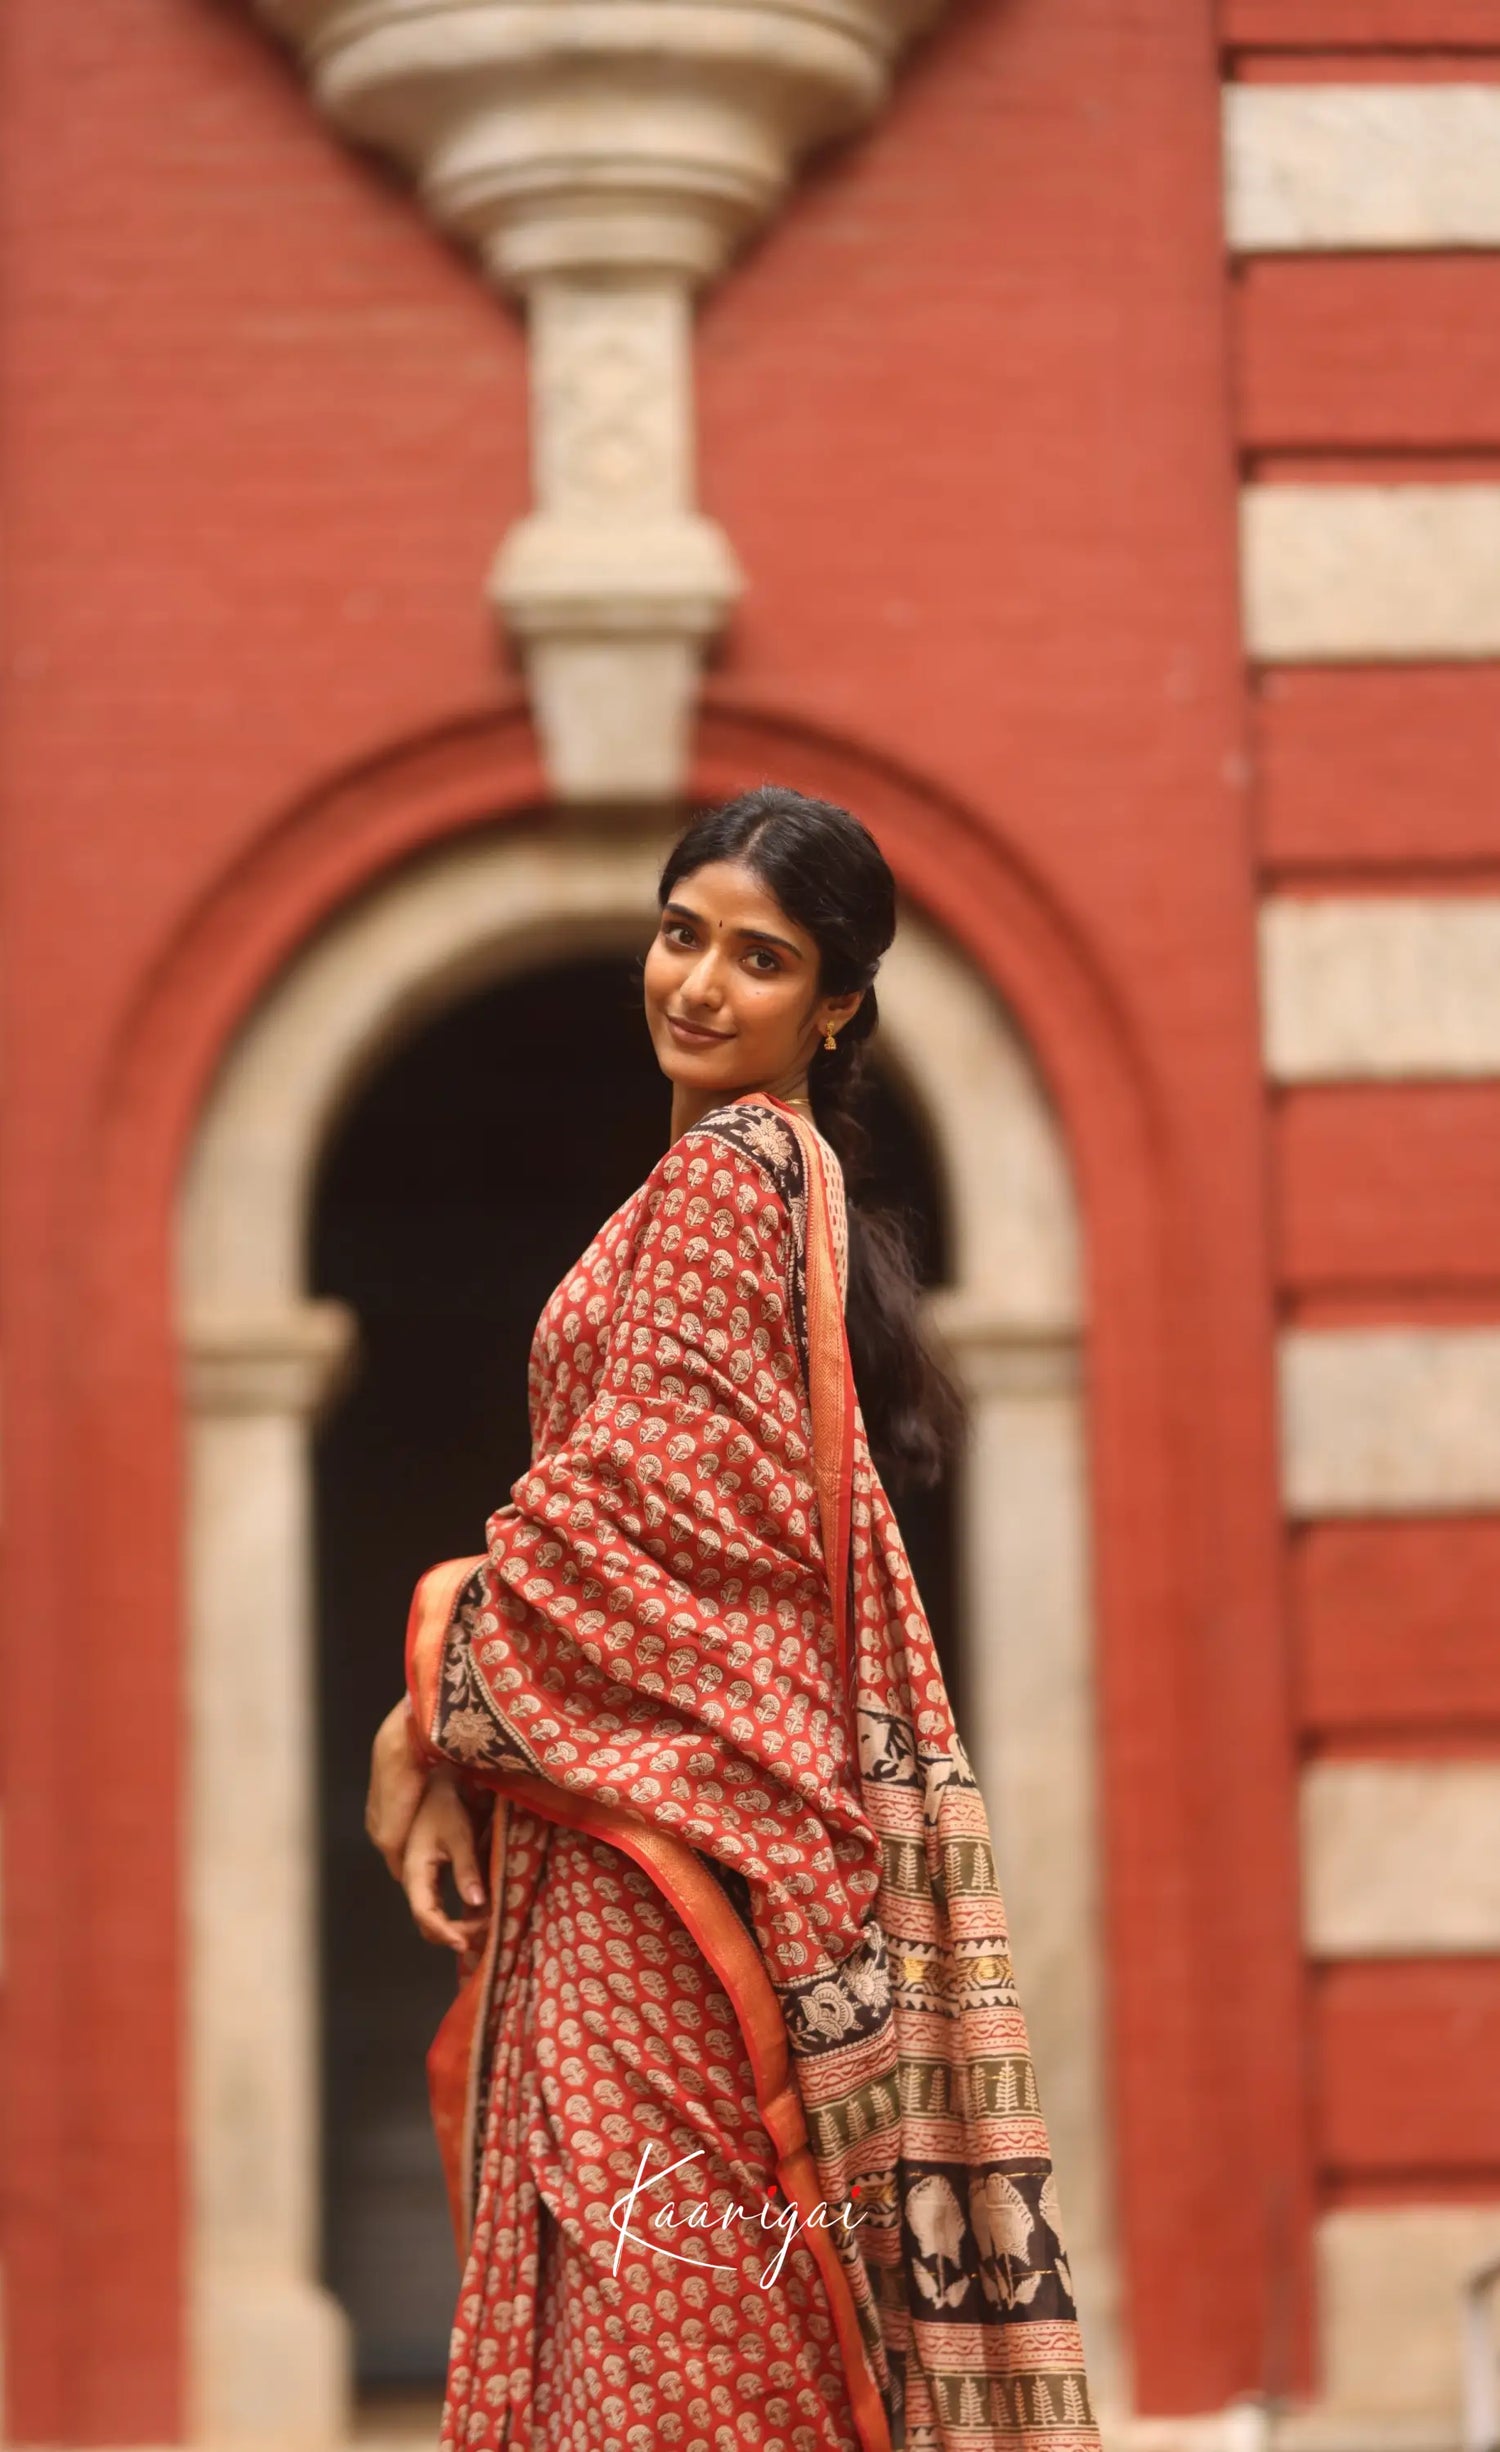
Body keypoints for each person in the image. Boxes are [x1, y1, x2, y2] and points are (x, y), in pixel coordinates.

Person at [364, 785, 1098, 2452]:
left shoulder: (720, 1192)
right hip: (690, 1851)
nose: (697, 984)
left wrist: (417, 1721)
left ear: (834, 1004)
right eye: (680, 933)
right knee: (726, 2338)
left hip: (663, 1878)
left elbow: (625, 1538)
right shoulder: (776, 1183)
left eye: (758, 959)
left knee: (668, 2364)